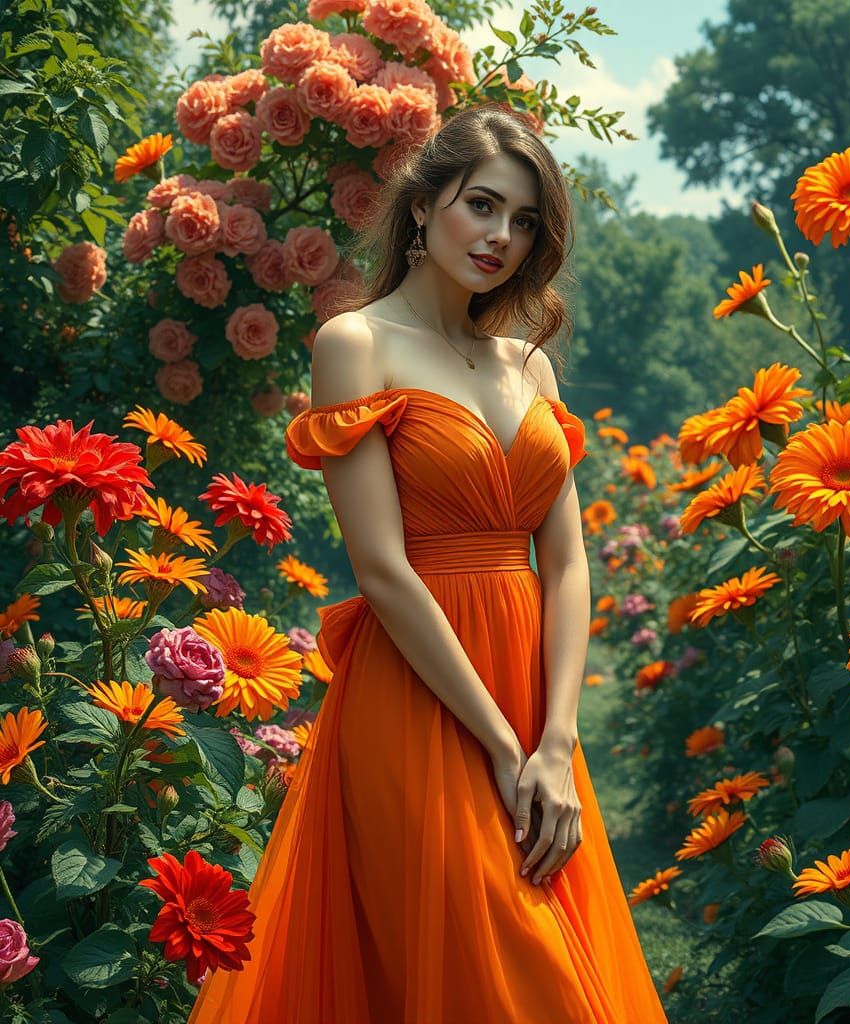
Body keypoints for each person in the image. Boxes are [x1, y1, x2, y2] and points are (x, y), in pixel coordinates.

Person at [188, 102, 669, 1023]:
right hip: (418, 696)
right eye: (482, 205)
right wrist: (499, 743)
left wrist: (555, 746)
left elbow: (567, 565)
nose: (502, 237)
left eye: (525, 221)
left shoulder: (529, 367)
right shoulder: (356, 344)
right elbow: (381, 568)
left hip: (533, 710)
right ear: (421, 205)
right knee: (507, 979)